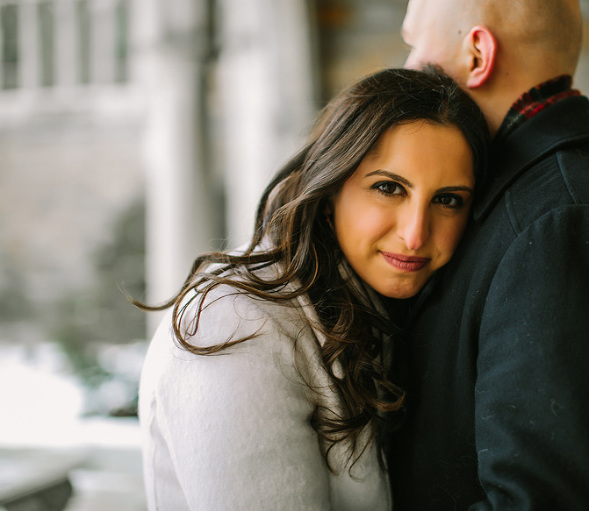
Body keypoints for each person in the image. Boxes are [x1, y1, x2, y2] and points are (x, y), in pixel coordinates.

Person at [386, 0, 589, 509]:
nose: (404, 69)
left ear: (477, 54)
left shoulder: (567, 229)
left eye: (412, 45)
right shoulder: (519, 202)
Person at [136, 67, 488, 510]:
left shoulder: (372, 307)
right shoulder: (233, 325)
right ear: (329, 188)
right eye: (388, 188)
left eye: (447, 199)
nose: (416, 234)